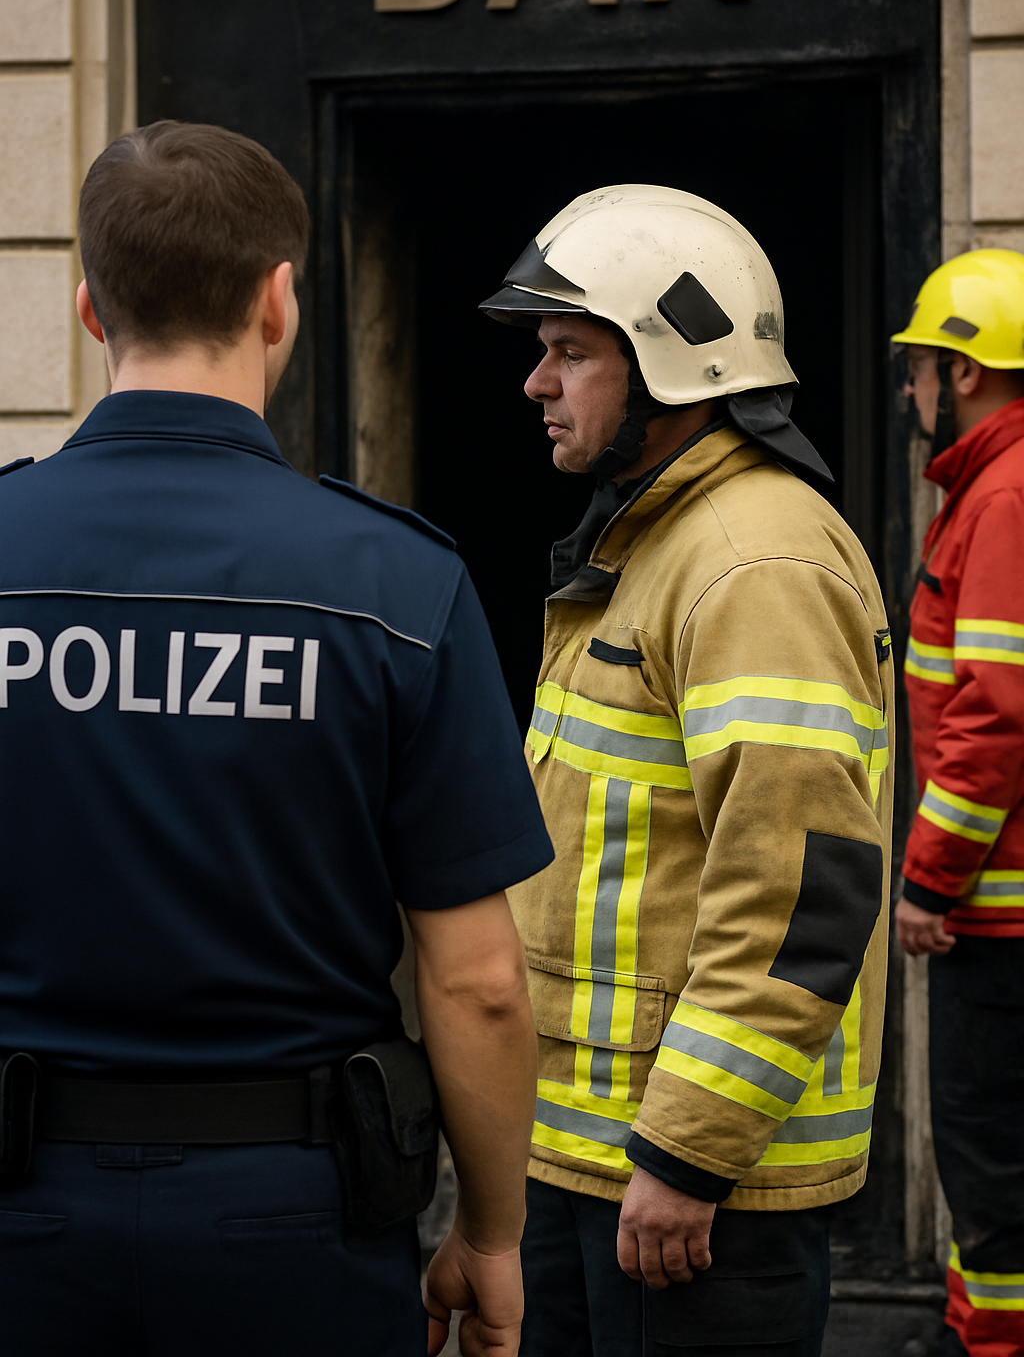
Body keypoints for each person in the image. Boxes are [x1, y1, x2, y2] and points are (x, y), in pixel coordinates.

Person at [0, 120, 553, 1357]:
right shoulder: (393, 582)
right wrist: (493, 1233)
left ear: (90, 308)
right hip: (292, 1222)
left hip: (20, 1212)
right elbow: (475, 980)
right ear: (278, 301)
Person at [478, 184, 895, 1357]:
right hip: (593, 1160)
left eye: (569, 351)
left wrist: (687, 1149)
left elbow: (801, 888)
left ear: (677, 366)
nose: (536, 382)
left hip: (687, 1196)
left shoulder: (751, 560)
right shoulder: (654, 541)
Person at [892, 249, 1024, 1357]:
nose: (909, 390)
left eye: (922, 366)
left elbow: (994, 713)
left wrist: (929, 879)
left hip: (998, 919)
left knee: (992, 1177)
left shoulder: (1004, 496)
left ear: (967, 371)